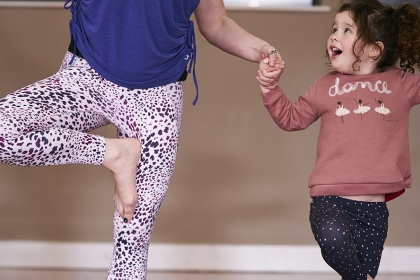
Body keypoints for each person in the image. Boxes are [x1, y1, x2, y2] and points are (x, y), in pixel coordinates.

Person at [0, 0, 279, 279]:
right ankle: (113, 153)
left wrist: (264, 50)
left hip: (156, 99)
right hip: (85, 79)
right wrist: (102, 151)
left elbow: (216, 24)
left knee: (132, 237)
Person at [257, 0, 420, 279]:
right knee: (333, 241)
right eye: (334, 28)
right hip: (330, 201)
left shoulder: (402, 84)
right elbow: (290, 118)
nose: (334, 35)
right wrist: (270, 88)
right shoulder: (325, 86)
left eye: (347, 30)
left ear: (373, 49)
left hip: (374, 211)